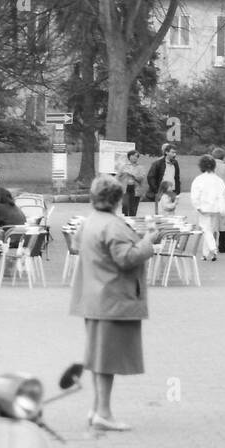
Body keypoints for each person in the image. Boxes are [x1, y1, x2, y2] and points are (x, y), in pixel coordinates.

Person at [70, 175, 159, 432]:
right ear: (117, 199)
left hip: (93, 298)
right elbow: (126, 258)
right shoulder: (113, 225)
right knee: (107, 361)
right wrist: (147, 242)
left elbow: (80, 246)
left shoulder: (89, 223)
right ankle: (104, 413)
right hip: (113, 299)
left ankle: (97, 409)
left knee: (99, 358)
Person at [190, 155, 225, 262]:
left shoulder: (199, 179)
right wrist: (223, 207)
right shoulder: (218, 180)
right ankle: (205, 254)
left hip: (204, 208)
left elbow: (195, 195)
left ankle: (213, 249)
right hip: (216, 209)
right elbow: (224, 195)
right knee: (210, 230)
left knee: (206, 230)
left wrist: (197, 206)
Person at [211, 148, 225, 252]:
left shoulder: (210, 166)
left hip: (211, 196)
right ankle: (222, 246)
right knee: (224, 221)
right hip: (224, 196)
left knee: (212, 221)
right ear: (223, 156)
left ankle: (211, 245)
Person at [117, 149, 147, 217]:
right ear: (129, 157)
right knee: (125, 205)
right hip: (125, 188)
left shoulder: (140, 167)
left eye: (136, 156)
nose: (134, 157)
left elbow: (141, 178)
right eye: (133, 156)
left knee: (133, 208)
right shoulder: (123, 166)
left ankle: (133, 221)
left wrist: (132, 174)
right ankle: (125, 219)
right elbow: (118, 177)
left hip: (135, 189)